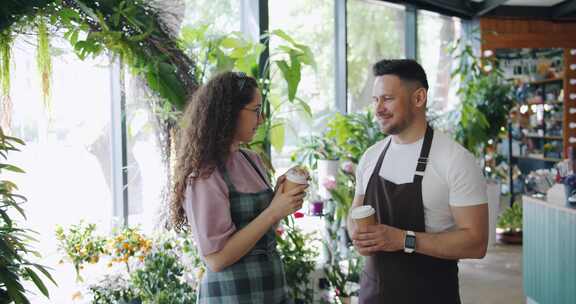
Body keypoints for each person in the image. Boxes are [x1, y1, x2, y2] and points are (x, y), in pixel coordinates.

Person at [347, 59, 488, 304]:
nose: (378, 109)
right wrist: (357, 235)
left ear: (419, 98)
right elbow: (354, 213)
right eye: (375, 100)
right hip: (374, 295)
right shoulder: (371, 156)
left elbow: (476, 243)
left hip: (430, 295)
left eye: (388, 99)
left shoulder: (455, 160)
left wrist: (403, 239)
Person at [171, 71, 307, 303]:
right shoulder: (205, 174)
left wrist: (281, 197)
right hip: (231, 296)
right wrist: (273, 210)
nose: (262, 119)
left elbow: (263, 229)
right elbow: (216, 259)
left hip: (271, 292)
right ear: (229, 112)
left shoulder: (251, 160)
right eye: (256, 110)